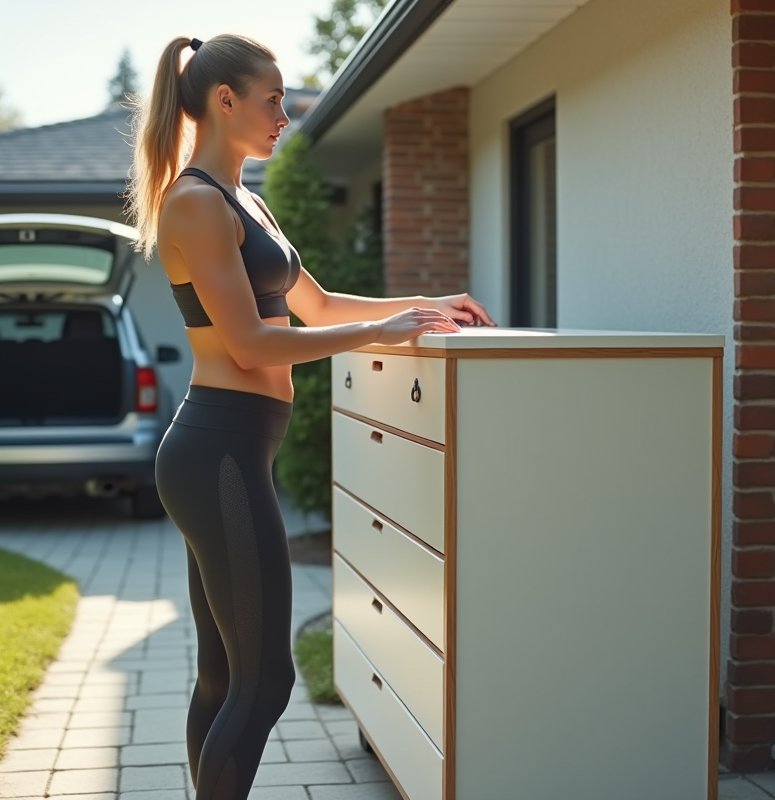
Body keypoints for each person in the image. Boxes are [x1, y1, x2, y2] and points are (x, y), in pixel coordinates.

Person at [126, 32, 497, 800]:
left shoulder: (247, 202)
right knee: (264, 681)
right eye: (273, 101)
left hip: (233, 450)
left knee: (224, 675)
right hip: (217, 451)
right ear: (224, 101)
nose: (284, 117)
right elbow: (251, 344)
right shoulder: (195, 203)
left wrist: (426, 305)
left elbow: (317, 306)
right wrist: (381, 331)